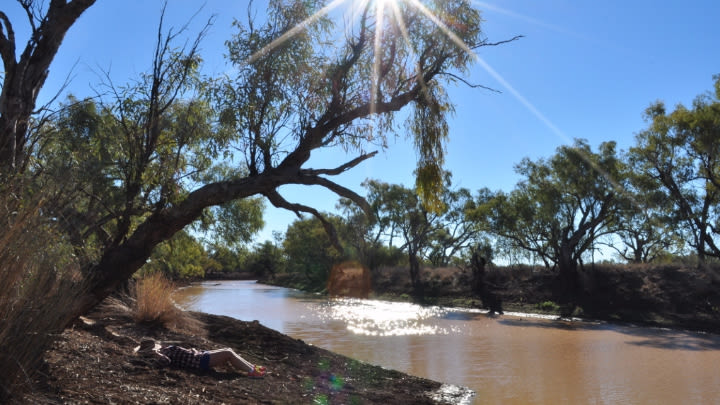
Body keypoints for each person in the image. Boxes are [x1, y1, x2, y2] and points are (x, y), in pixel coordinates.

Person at [134, 338, 266, 378]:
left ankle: (252, 367)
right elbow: (165, 362)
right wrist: (155, 353)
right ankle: (252, 372)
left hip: (201, 355)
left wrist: (159, 348)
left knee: (229, 350)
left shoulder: (164, 348)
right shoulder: (162, 354)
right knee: (228, 353)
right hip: (199, 361)